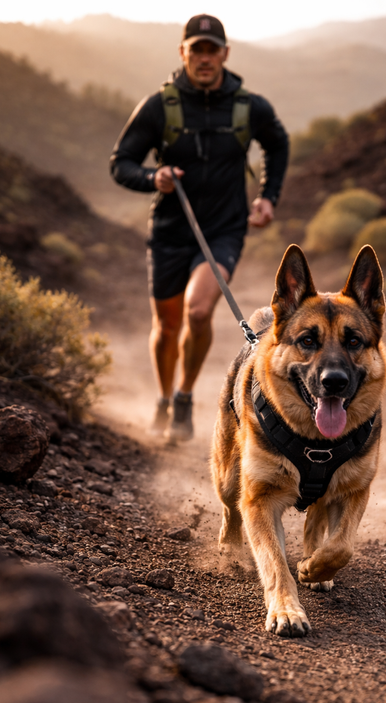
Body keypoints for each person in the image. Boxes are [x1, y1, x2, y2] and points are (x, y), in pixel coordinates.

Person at [110, 13, 289, 442]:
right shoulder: (160, 106)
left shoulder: (250, 106)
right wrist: (154, 178)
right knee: (167, 325)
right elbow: (121, 163)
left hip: (224, 230)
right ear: (183, 52)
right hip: (171, 230)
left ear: (225, 54)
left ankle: (185, 398)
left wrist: (267, 197)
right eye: (197, 50)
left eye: (212, 50)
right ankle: (163, 396)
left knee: (198, 310)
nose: (205, 58)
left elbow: (278, 144)